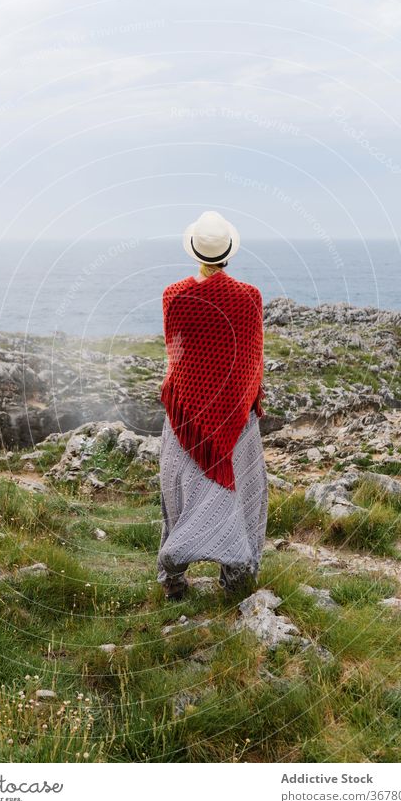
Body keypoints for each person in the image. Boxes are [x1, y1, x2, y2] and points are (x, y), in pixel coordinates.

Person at [157, 210, 268, 600]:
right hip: (235, 419)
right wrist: (244, 399)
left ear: (194, 251)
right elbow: (252, 360)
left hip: (186, 418)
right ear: (228, 254)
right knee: (237, 493)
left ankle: (174, 576)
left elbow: (178, 354)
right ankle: (235, 579)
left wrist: (187, 394)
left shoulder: (174, 295)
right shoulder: (250, 297)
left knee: (181, 492)